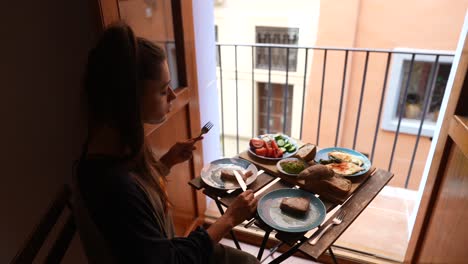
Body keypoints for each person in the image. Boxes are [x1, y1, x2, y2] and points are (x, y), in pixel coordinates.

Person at [73, 22, 259, 263]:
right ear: (129, 100)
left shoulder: (114, 145)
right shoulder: (112, 186)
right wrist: (228, 219)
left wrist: (167, 161)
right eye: (162, 90)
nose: (172, 95)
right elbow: (170, 260)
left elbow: (138, 199)